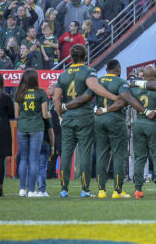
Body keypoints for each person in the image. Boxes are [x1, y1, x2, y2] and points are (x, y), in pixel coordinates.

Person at [52, 44, 121, 198]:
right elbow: (94, 87)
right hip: (84, 116)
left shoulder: (63, 74)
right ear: (85, 56)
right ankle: (85, 189)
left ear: (70, 57)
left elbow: (56, 98)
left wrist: (61, 116)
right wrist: (114, 97)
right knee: (84, 153)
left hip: (68, 117)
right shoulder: (88, 71)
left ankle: (64, 189)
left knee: (66, 153)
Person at [93, 59, 149, 198]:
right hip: (115, 121)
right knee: (119, 154)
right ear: (118, 69)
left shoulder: (98, 81)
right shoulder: (120, 82)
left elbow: (87, 97)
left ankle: (101, 190)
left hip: (99, 120)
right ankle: (118, 190)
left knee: (102, 154)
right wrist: (145, 110)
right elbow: (126, 99)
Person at [128, 65, 156, 199]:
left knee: (139, 158)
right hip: (154, 125)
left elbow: (127, 97)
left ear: (143, 77)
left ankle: (138, 190)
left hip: (139, 124)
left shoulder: (136, 89)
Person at [14, 70, 49, 197]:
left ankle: (22, 189)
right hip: (36, 128)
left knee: (23, 158)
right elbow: (45, 115)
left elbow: (16, 115)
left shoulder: (19, 93)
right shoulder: (41, 93)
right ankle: (32, 190)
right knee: (34, 159)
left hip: (22, 127)